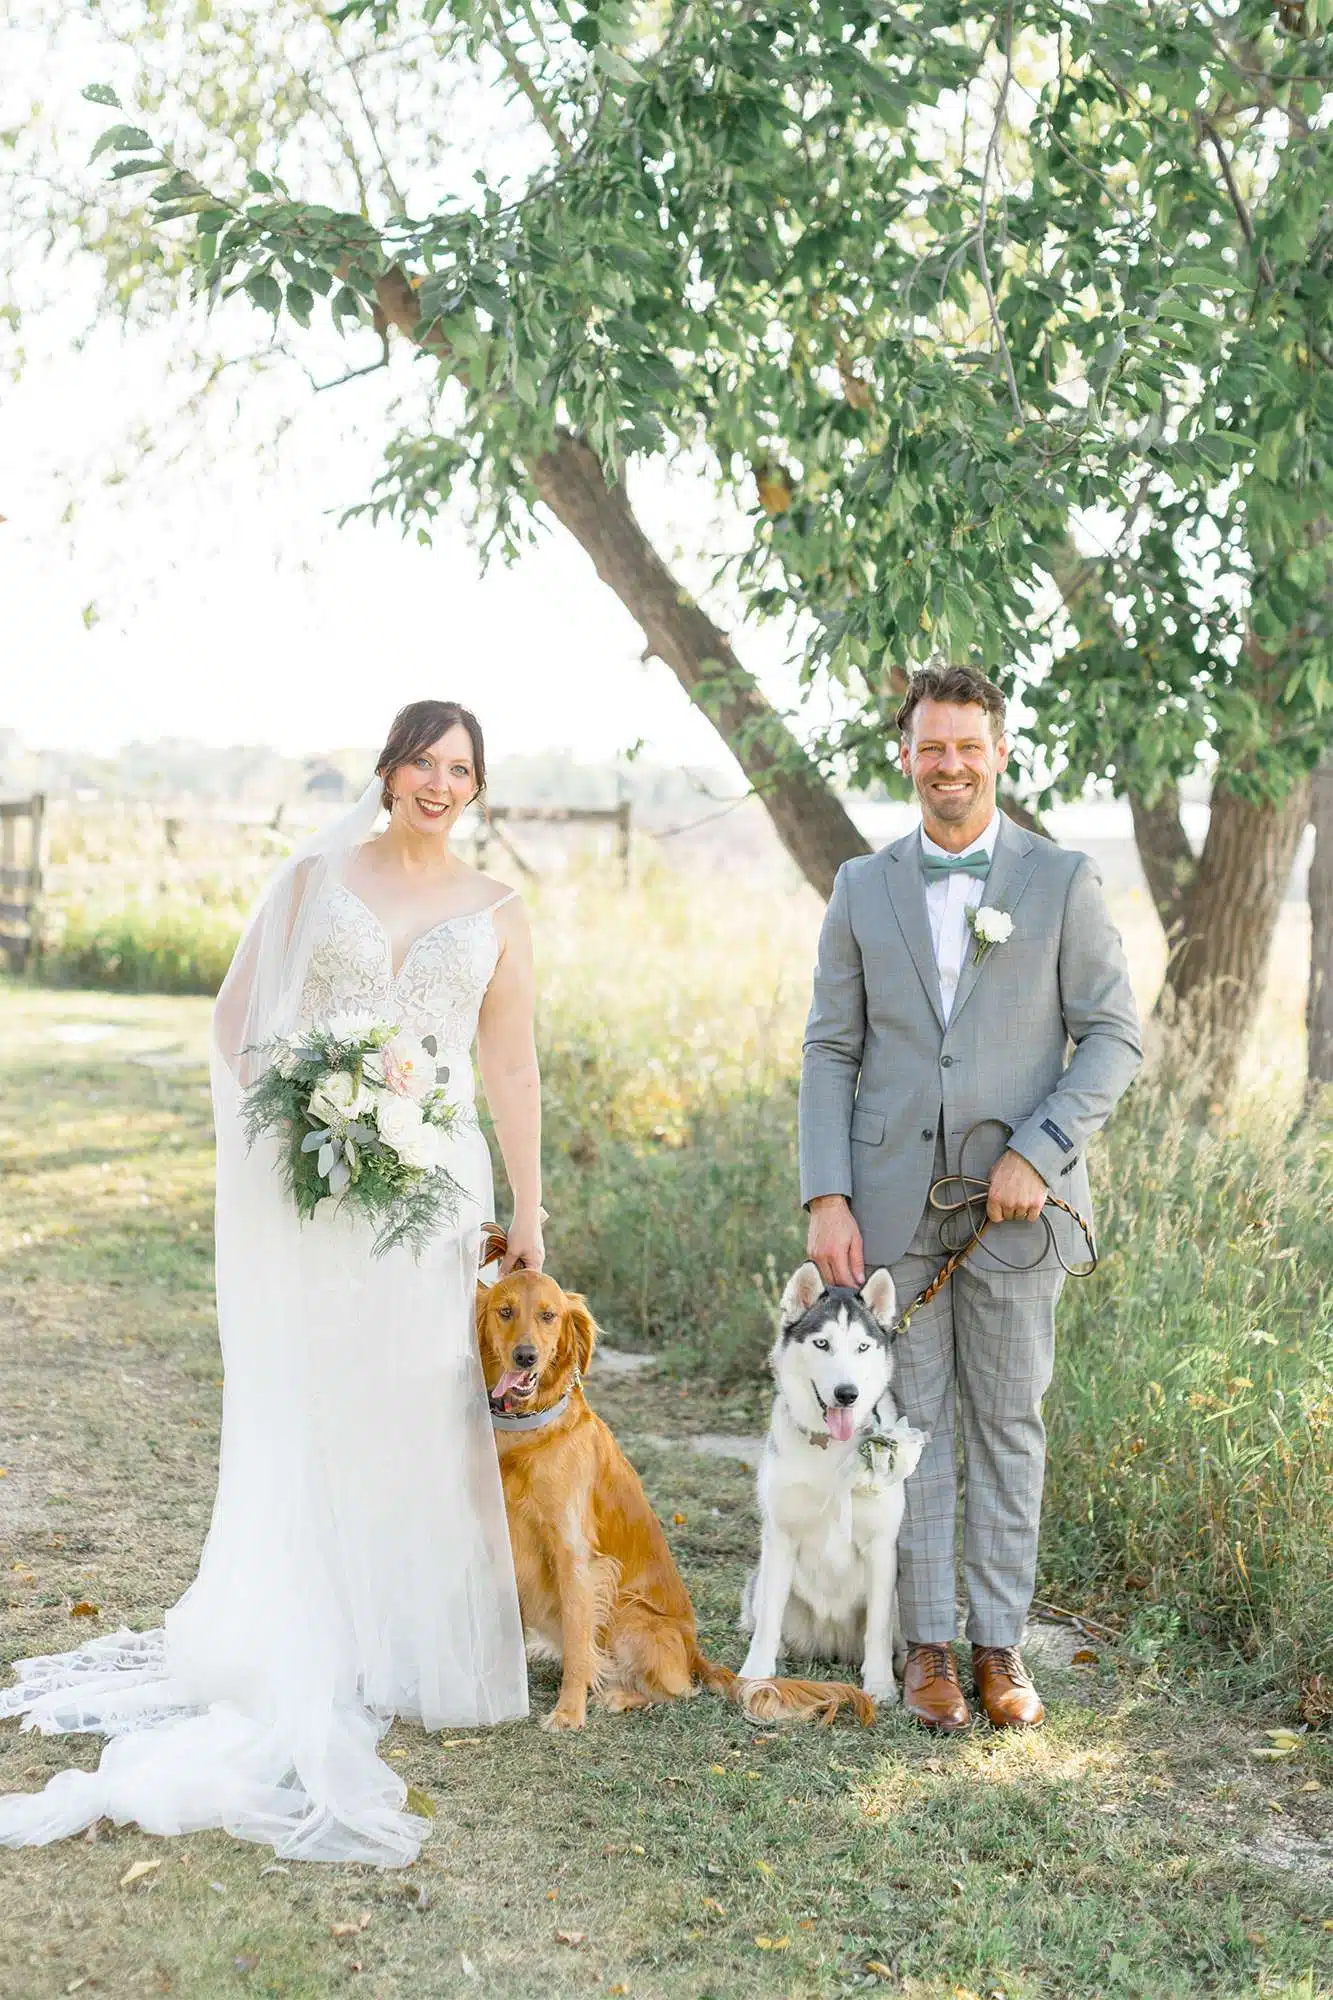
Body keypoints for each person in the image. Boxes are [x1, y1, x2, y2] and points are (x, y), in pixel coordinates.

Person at [0, 700, 539, 1863]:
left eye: (462, 770)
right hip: (321, 1180)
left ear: (475, 787)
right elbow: (238, 1017)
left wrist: (530, 1207)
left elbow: (508, 1058)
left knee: (416, 1395)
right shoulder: (316, 877)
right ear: (389, 769)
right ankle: (313, 1625)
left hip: (438, 1182)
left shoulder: (497, 911)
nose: (439, 785)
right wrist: (290, 1120)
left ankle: (400, 1637)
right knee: (318, 1393)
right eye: (423, 763)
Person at [800, 665, 1141, 1731]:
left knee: (1007, 1421)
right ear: (905, 756)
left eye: (967, 745)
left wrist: (1040, 1149)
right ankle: (929, 1647)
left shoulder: (1062, 880)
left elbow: (1114, 1035)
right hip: (894, 1207)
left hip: (1017, 1209)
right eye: (930, 746)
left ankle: (1002, 1648)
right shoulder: (863, 886)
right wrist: (827, 1193)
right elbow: (830, 1047)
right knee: (907, 1424)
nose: (949, 764)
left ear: (999, 752)